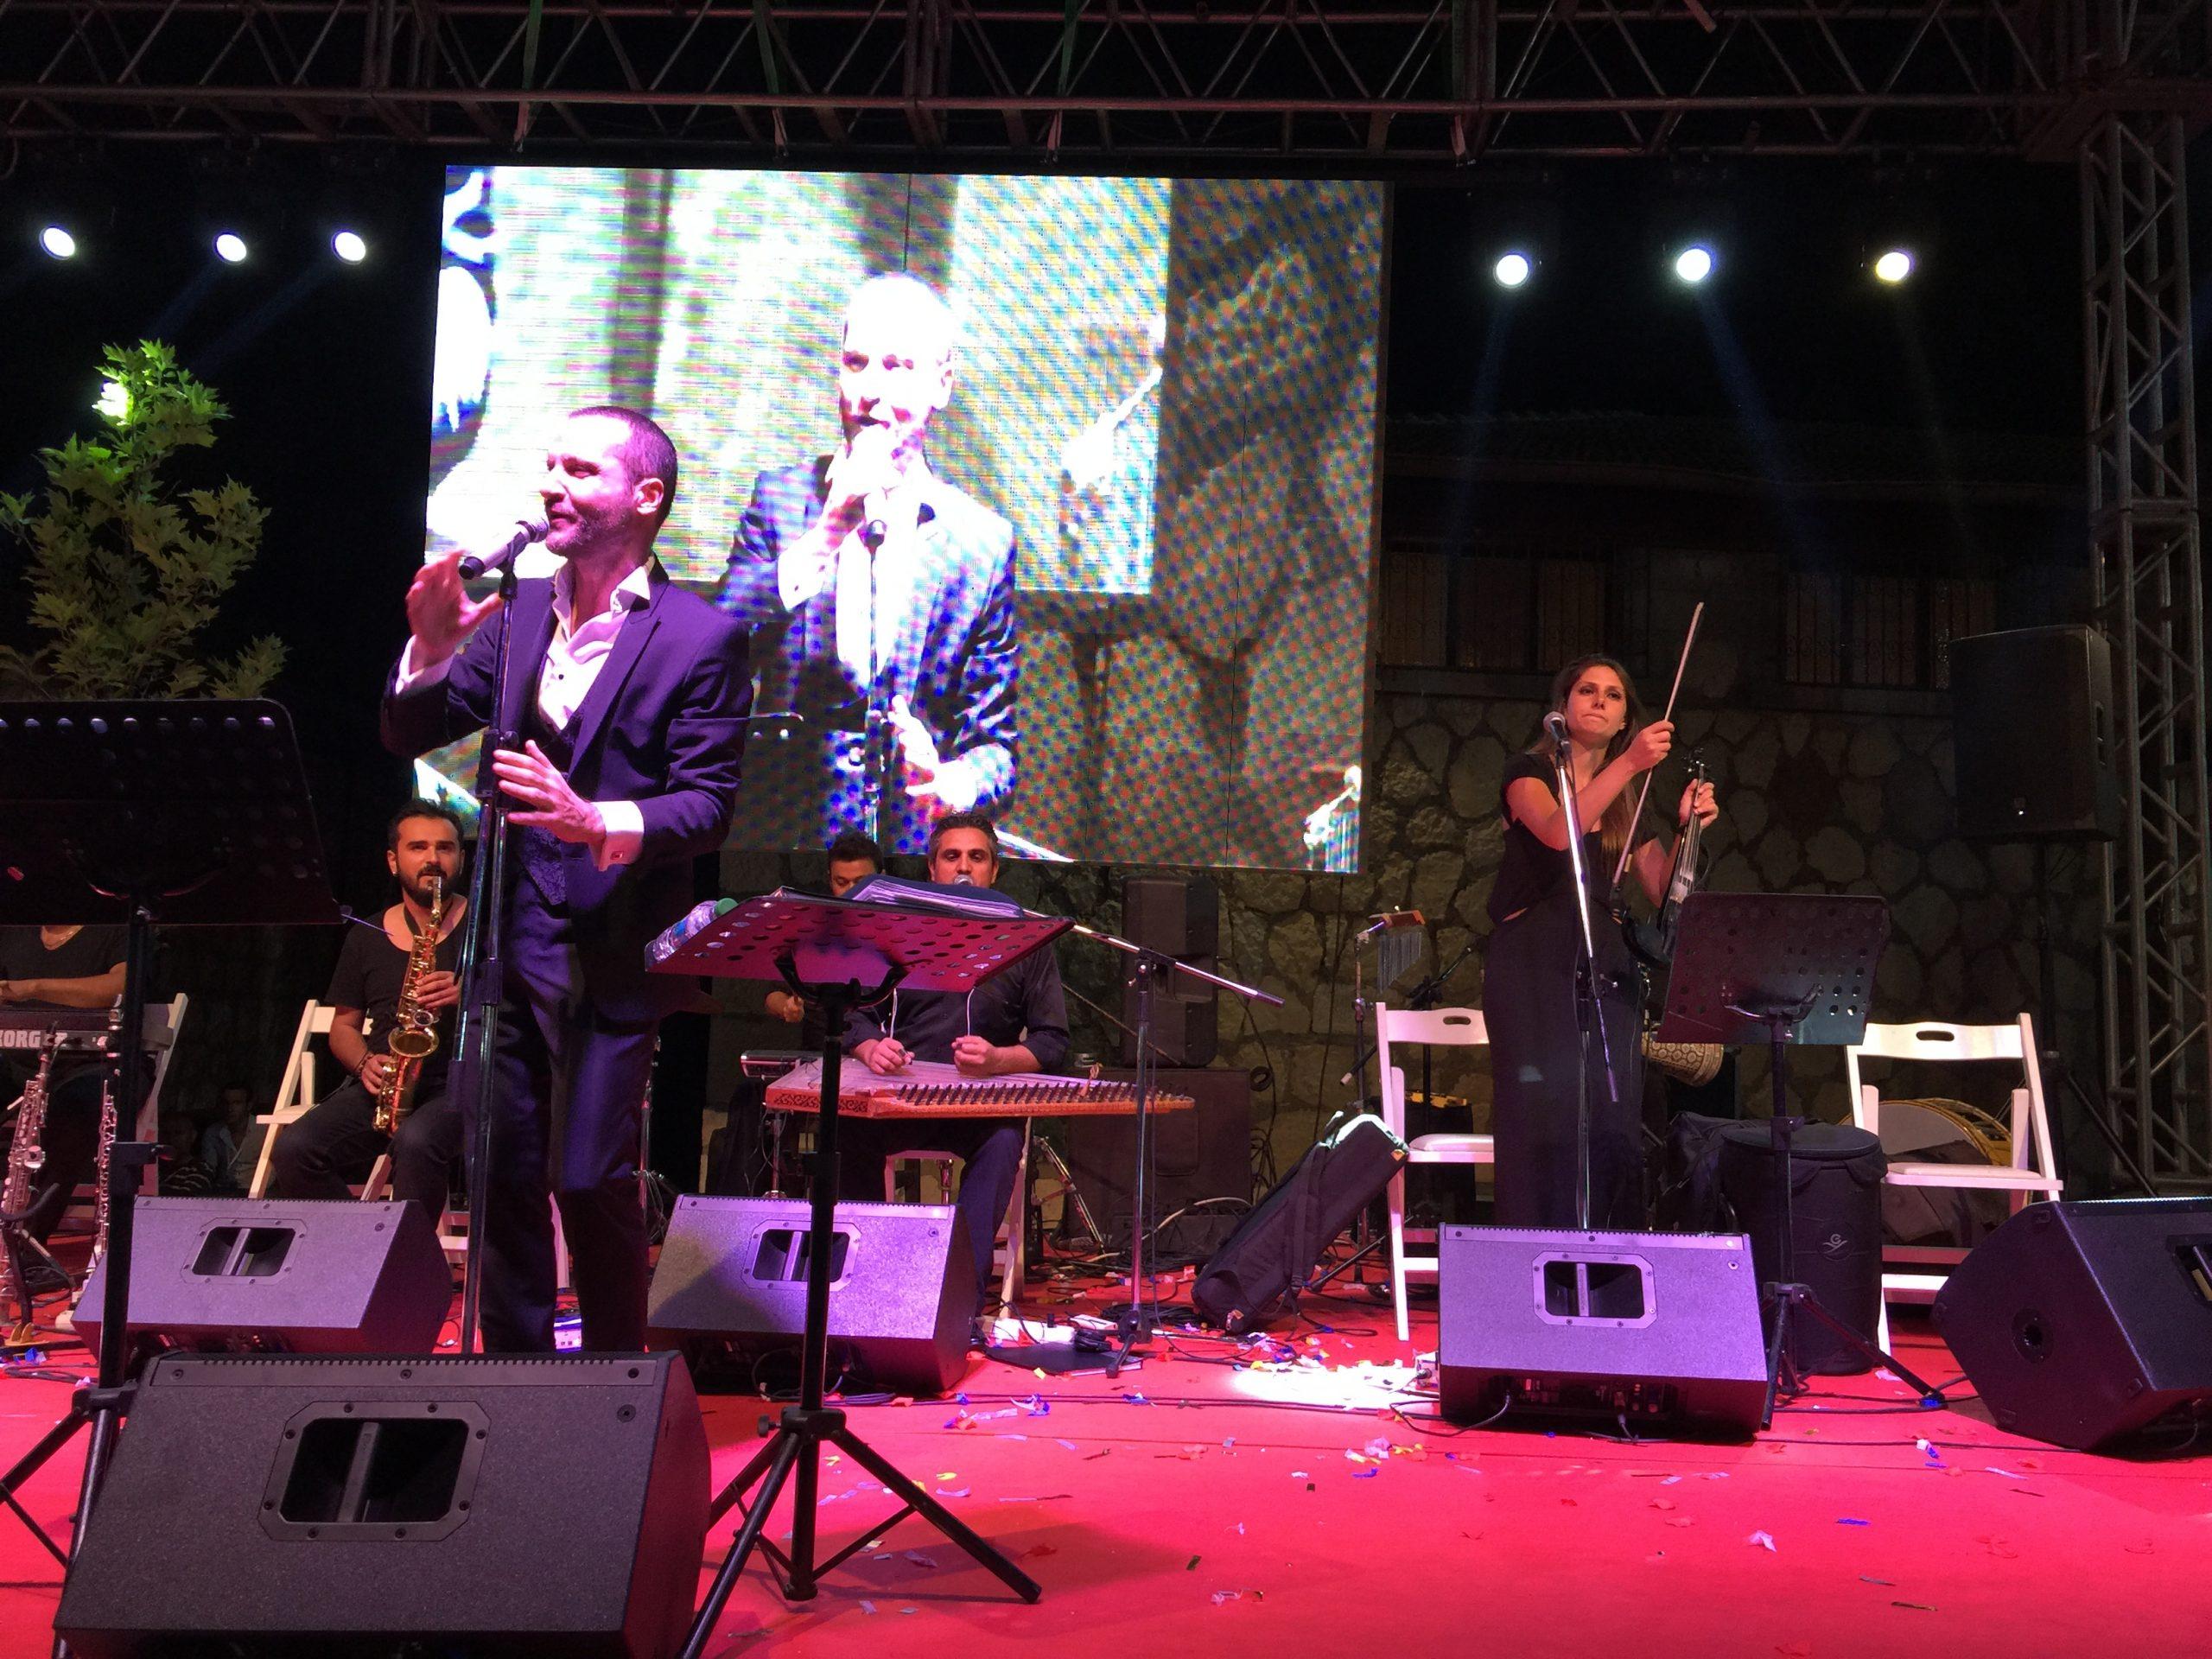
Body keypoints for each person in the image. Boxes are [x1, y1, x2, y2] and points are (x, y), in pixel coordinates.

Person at [384, 404, 753, 1353]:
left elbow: (707, 805)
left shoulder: (700, 636)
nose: (551, 483)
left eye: (580, 470)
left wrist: (596, 823)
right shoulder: (514, 618)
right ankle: (515, 1377)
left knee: (586, 1176)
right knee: (499, 1170)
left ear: (646, 496)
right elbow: (410, 731)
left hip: (614, 946)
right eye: (549, 465)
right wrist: (430, 651)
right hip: (508, 937)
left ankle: (619, 1377)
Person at [716, 272, 1020, 855]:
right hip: (782, 847)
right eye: (856, 364)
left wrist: (950, 783)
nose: (871, 390)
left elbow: (995, 751)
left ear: (942, 384)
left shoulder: (981, 544)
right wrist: (828, 531)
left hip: (906, 856)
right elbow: (716, 650)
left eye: (898, 367)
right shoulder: (781, 502)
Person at [1484, 655, 1720, 1230]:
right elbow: (1557, 832)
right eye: (1587, 690)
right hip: (1534, 960)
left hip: (1604, 961)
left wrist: (1688, 832)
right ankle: (1533, 1253)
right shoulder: (1528, 771)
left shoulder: (1626, 801)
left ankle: (1608, 1258)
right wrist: (1631, 763)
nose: (1599, 701)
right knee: (1541, 1114)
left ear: (1622, 719)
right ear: (1562, 707)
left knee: (1611, 1117)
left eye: (1613, 696)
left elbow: (1665, 890)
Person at [841, 811, 1068, 1325]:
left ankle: (954, 1299)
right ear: (932, 869)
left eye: (976, 857)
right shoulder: (892, 931)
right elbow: (850, 1015)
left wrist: (999, 1059)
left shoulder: (1025, 939)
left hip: (979, 1104)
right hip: (898, 1095)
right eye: (952, 857)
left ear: (994, 871)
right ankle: (866, 1283)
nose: (963, 868)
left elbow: (1053, 1043)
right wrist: (870, 1047)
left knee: (1004, 1140)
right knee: (848, 1130)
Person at [265, 801, 469, 1217]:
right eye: (418, 847)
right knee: (294, 1149)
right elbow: (343, 1027)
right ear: (393, 861)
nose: (433, 859)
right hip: (389, 1083)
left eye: (445, 848)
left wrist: (469, 991)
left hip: (461, 1085)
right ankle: (356, 1243)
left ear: (461, 859)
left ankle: (403, 1253)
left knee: (416, 1142)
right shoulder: (367, 934)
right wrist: (363, 1064)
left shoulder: (485, 928)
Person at [0, 921, 127, 1247]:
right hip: (17, 1059)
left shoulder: (116, 928)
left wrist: (33, 988)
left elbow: (121, 985)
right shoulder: (15, 930)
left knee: (76, 1108)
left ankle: (25, 1244)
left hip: (93, 1063)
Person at [763, 830, 884, 1027]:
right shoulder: (813, 929)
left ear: (882, 879)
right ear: (830, 880)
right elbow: (772, 995)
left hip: (884, 1043)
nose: (851, 891)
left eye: (861, 883)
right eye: (841, 883)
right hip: (821, 1040)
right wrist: (787, 1006)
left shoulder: (897, 929)